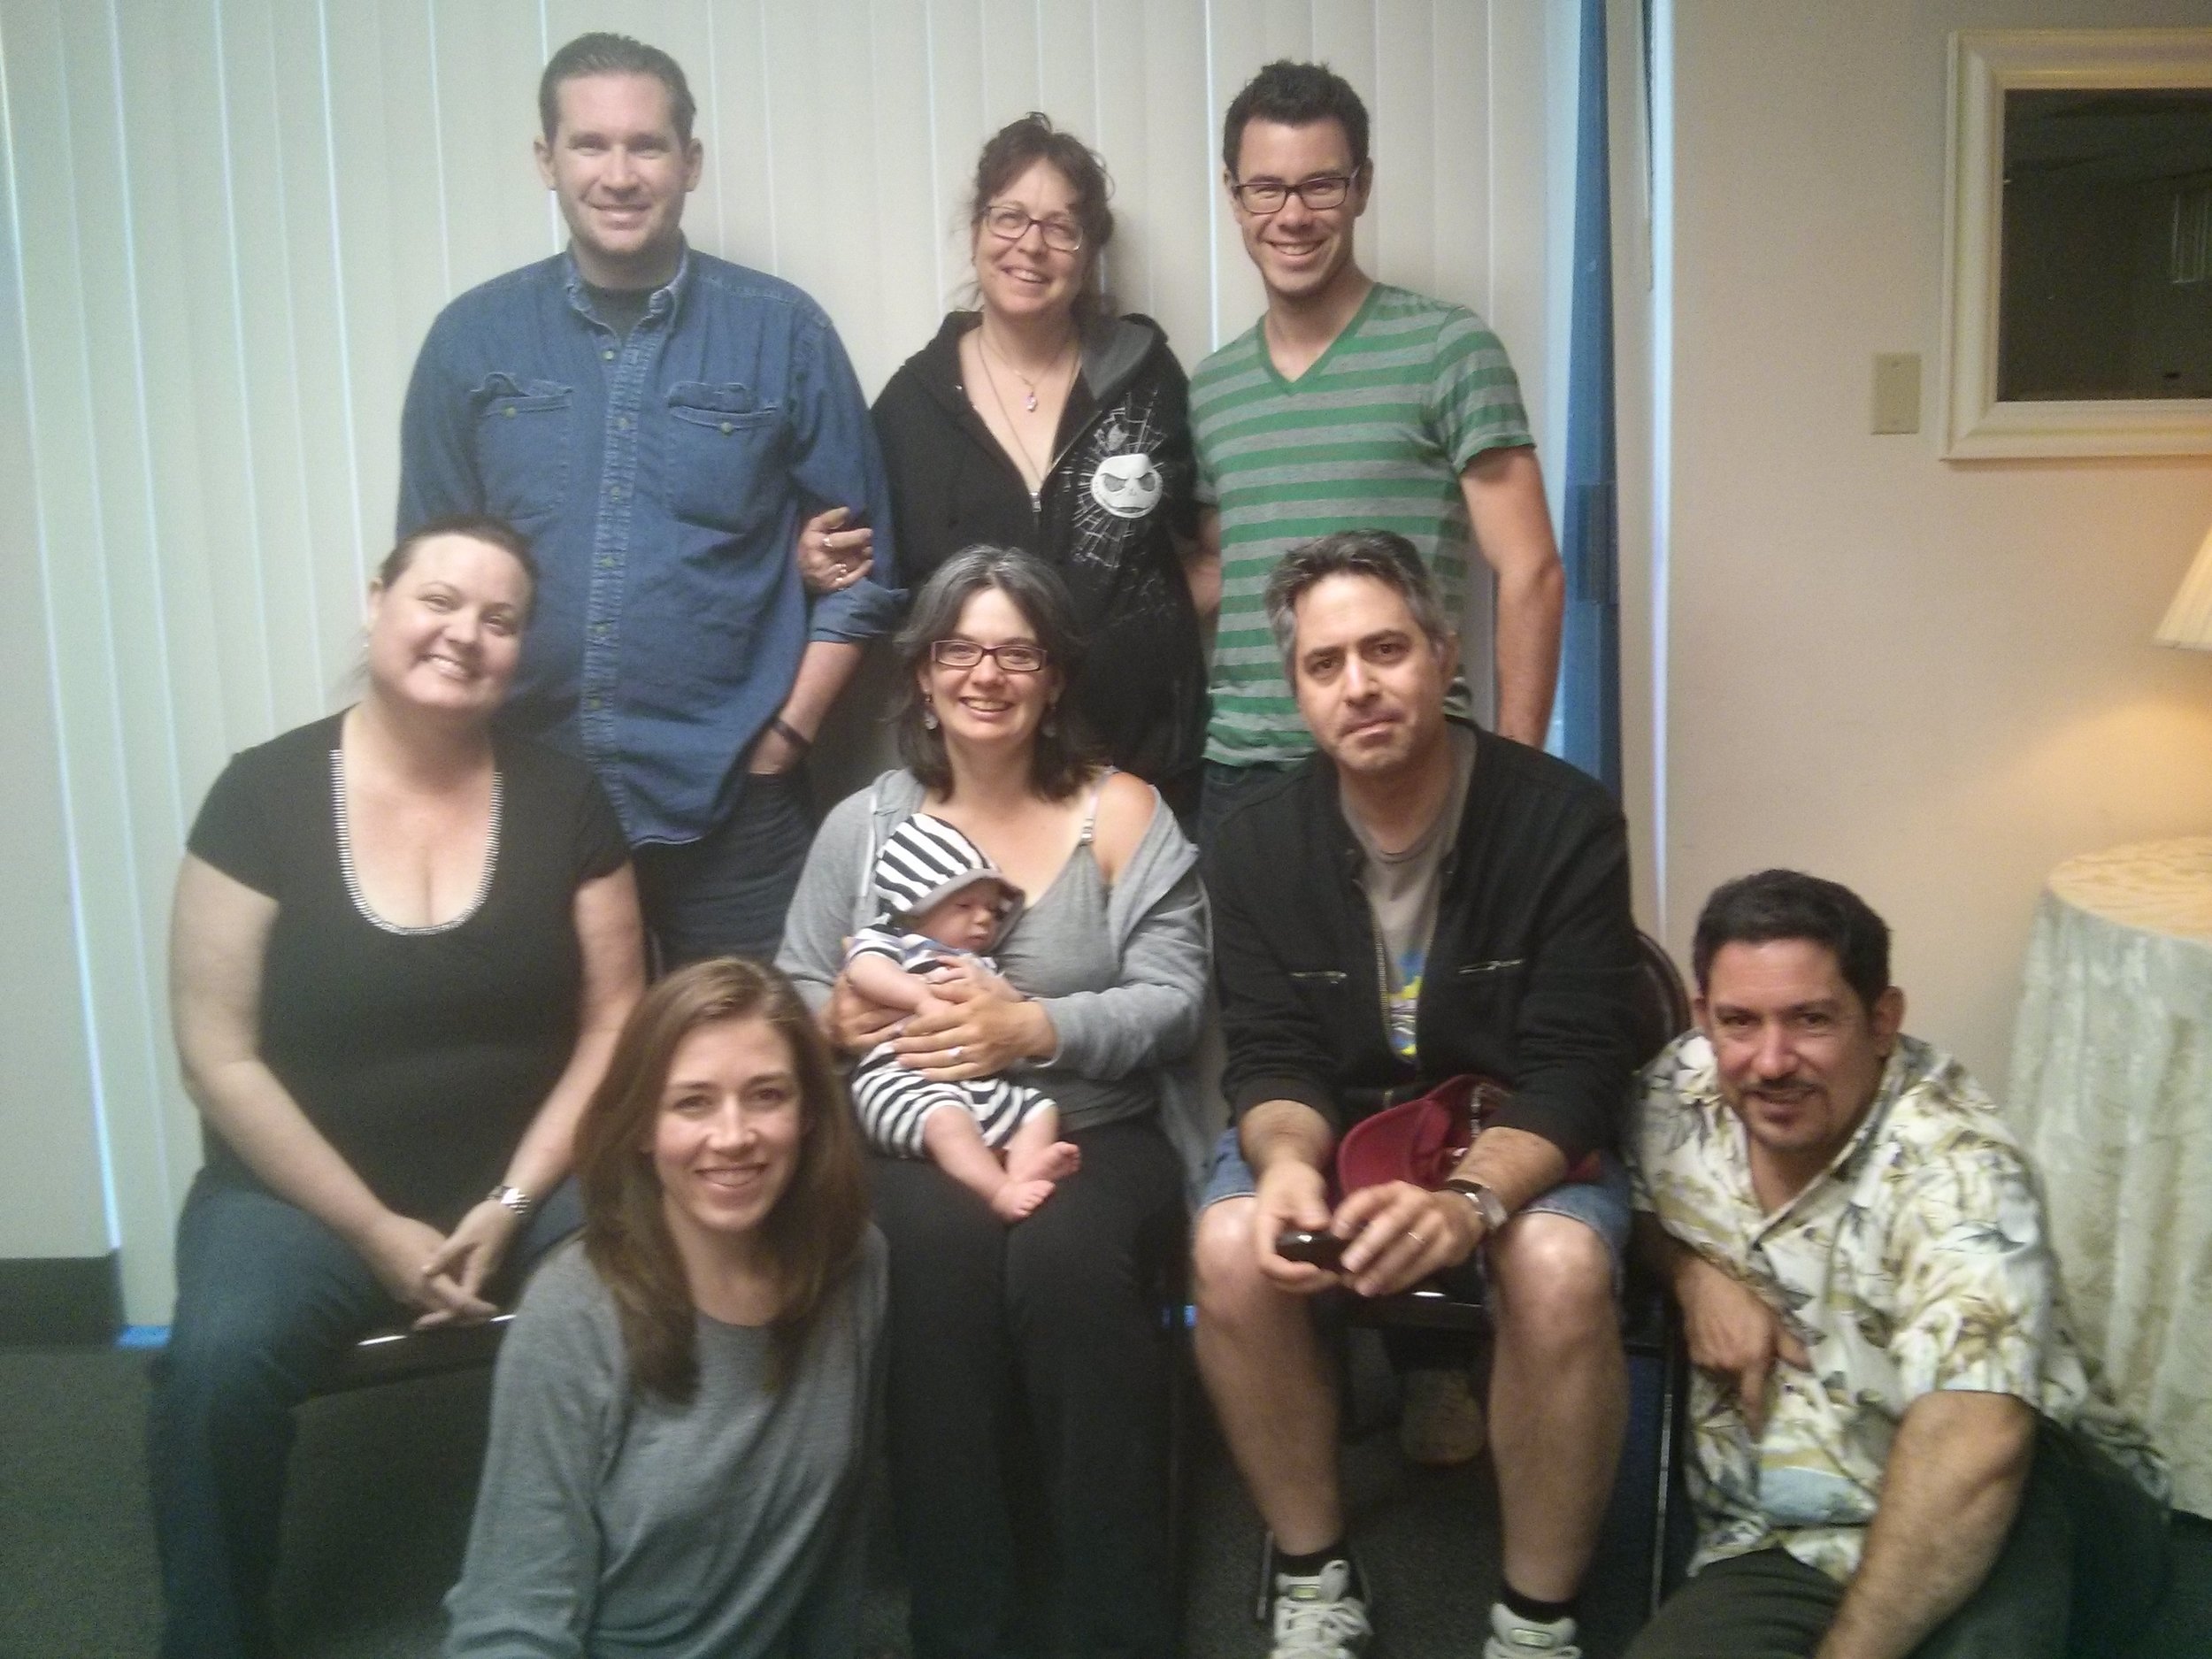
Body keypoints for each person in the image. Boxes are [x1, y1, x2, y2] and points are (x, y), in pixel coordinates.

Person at [152, 516, 647, 1659]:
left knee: (650, 1289)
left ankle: (636, 1602)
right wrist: (371, 1226)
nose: (464, 634)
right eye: (438, 601)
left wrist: (516, 1201)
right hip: (303, 1198)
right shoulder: (259, 795)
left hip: (527, 1176)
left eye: (500, 618)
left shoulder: (569, 799)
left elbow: (618, 1019)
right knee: (218, 1364)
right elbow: (214, 1052)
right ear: (376, 601)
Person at [1193, 530, 1638, 1659]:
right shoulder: (1250, 847)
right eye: (1324, 663)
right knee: (1232, 1246)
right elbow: (1271, 1059)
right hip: (1336, 1129)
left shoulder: (1560, 820)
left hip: (1505, 1124)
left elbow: (1579, 1065)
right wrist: (1290, 1164)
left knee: (1558, 1262)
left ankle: (1533, 1618)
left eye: (1385, 649)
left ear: (1444, 654)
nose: (1360, 685)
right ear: (1296, 693)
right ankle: (1311, 1573)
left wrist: (1471, 1204)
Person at [779, 546, 1206, 1659]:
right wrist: (832, 1022)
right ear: (920, 673)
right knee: (933, 1261)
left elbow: (1177, 1002)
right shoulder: (862, 828)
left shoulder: (1121, 813)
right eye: (958, 649)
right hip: (917, 1131)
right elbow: (792, 984)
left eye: (1018, 652)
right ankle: (960, 1617)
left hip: (1089, 1128)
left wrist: (1039, 1027)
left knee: (1066, 1268)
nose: (986, 675)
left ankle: (1118, 1612)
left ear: (1057, 677)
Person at [397, 31, 898, 966]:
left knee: (768, 1082)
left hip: (735, 806)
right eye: (590, 144)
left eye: (646, 145)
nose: (618, 174)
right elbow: (428, 576)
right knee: (572, 1087)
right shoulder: (471, 343)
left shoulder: (780, 331)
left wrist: (785, 738)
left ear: (690, 162)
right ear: (546, 159)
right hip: (527, 804)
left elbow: (867, 573)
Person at [1625, 870, 2170, 1659]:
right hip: (1790, 1534)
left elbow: (1974, 1447)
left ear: (1883, 1020)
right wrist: (1689, 1273)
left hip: (2011, 1494)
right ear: (1706, 1016)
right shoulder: (1674, 1093)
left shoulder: (1959, 1172)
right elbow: (1637, 1199)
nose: (1770, 1060)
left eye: (1811, 1019)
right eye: (1740, 1021)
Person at [446, 956, 886, 1659]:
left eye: (767, 1094)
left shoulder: (853, 1264)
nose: (734, 1135)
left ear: (808, 1113)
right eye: (693, 1102)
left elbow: (832, 1558)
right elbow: (513, 1612)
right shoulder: (573, 1310)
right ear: (644, 1127)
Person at [1187, 60, 1566, 839]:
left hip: (1412, 762)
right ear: (1235, 196)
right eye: (1268, 188)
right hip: (1244, 778)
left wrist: (1515, 777)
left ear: (1361, 187)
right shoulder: (1211, 387)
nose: (1293, 215)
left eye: (1321, 185)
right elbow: (1221, 570)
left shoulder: (1448, 348)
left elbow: (1530, 569)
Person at [871, 113, 1207, 822]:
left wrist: (1147, 628)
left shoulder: (1144, 376)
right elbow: (879, 582)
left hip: (1144, 769)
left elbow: (1208, 545)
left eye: (1062, 228)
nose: (1032, 244)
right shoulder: (911, 404)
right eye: (1011, 217)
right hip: (977, 786)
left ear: (1088, 255)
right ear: (976, 232)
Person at [844, 813, 1079, 1220]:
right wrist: (920, 998)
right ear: (916, 909)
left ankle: (1023, 1174)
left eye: (992, 909)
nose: (984, 918)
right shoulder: (894, 940)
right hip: (902, 1081)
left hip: (979, 1085)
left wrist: (1001, 994)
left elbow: (1014, 1002)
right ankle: (999, 1192)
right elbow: (864, 970)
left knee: (1040, 1109)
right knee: (946, 1121)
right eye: (965, 905)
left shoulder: (976, 964)